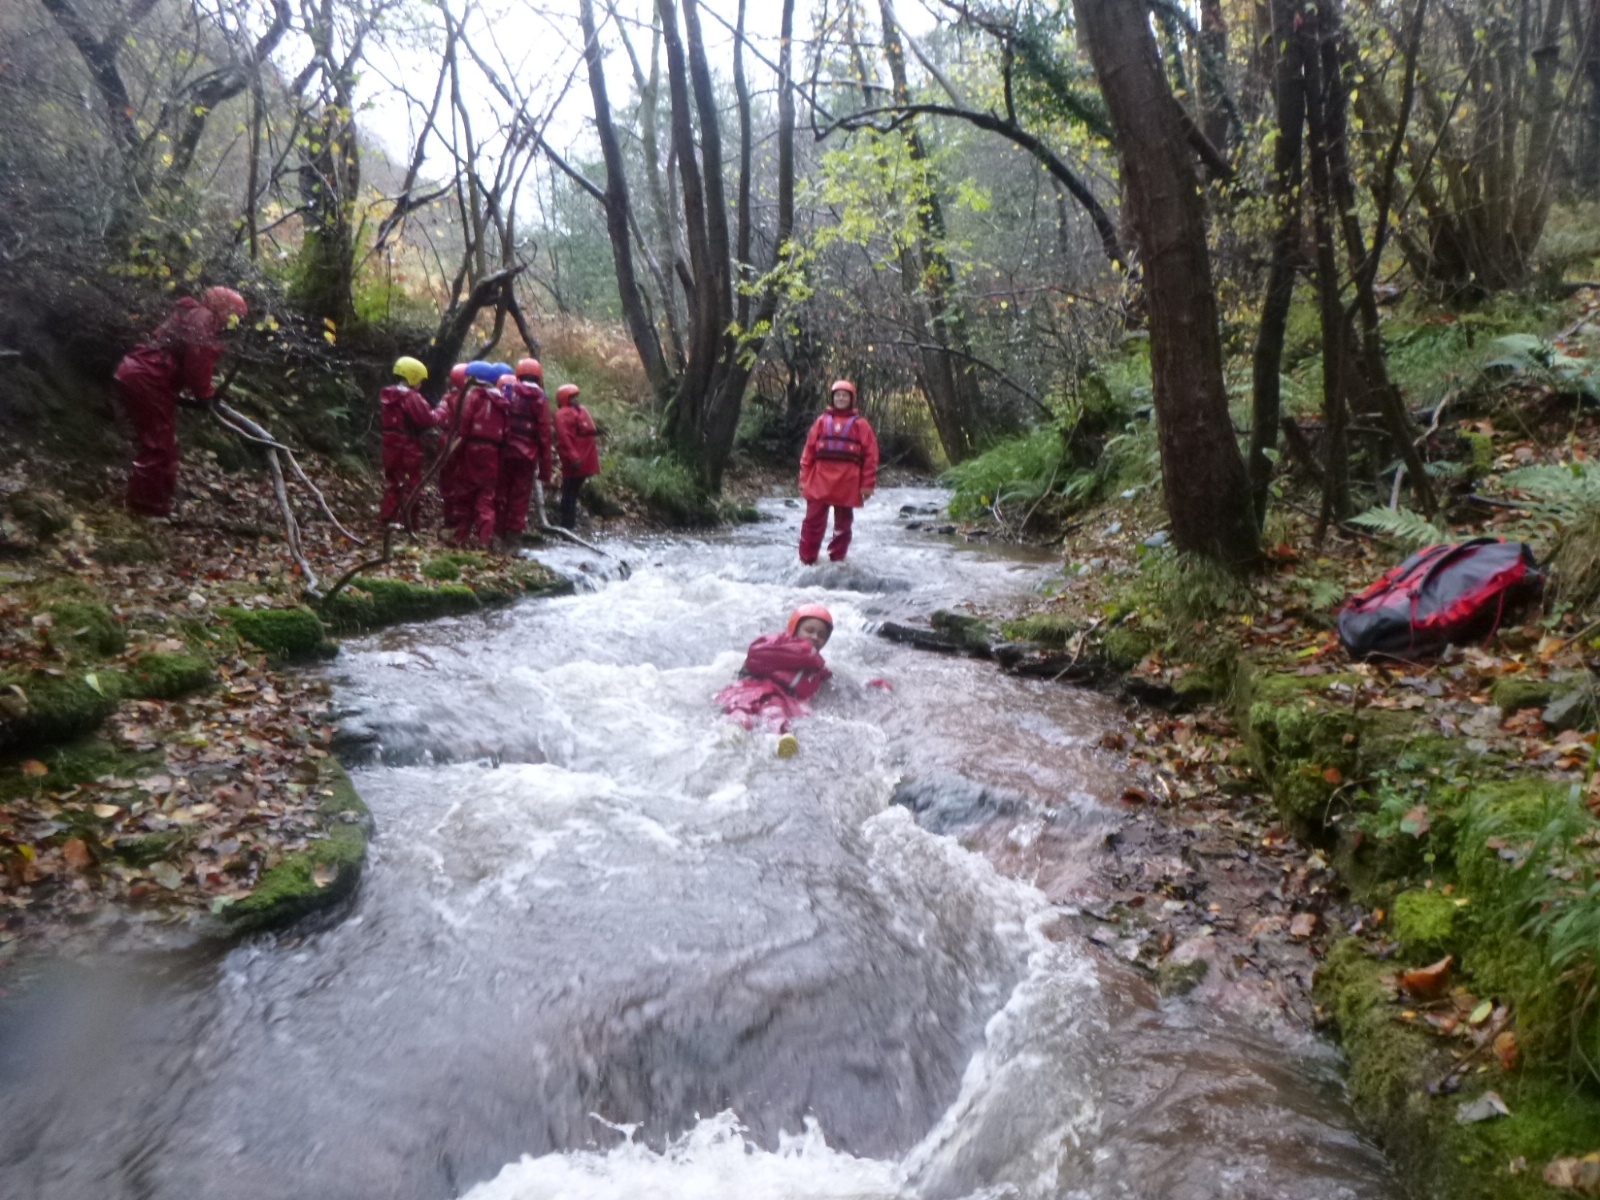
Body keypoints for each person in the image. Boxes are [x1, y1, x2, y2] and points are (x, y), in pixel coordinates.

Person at [113, 286, 248, 517]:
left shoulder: (191, 313)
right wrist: (205, 395)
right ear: (223, 308)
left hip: (137, 370)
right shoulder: (204, 319)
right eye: (233, 315)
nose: (232, 322)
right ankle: (147, 507)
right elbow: (198, 362)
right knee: (159, 446)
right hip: (149, 377)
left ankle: (147, 502)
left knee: (158, 441)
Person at [715, 604, 834, 733]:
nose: (815, 637)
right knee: (741, 710)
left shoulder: (816, 670)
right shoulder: (778, 642)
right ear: (795, 629)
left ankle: (780, 738)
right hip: (752, 688)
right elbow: (756, 653)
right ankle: (733, 730)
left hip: (781, 698)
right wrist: (808, 653)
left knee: (778, 715)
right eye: (809, 631)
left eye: (821, 635)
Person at [798, 379, 879, 565]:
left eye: (845, 396)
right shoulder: (821, 422)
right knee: (812, 521)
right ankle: (807, 559)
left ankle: (837, 560)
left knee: (843, 524)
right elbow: (808, 452)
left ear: (852, 399)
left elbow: (871, 457)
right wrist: (803, 479)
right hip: (819, 480)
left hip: (848, 482)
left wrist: (867, 485)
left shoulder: (861, 425)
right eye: (838, 395)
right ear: (832, 398)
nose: (841, 399)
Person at [377, 356, 443, 529]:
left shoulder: (389, 395)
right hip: (407, 446)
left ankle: (388, 519)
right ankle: (404, 523)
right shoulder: (410, 397)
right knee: (410, 485)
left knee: (394, 483)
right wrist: (442, 411)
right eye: (420, 380)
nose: (421, 384)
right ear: (413, 377)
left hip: (390, 444)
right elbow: (428, 419)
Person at [452, 361, 511, 547]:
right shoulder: (503, 401)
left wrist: (458, 446)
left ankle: (460, 536)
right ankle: (486, 538)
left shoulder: (474, 396)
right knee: (486, 495)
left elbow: (464, 422)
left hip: (473, 449)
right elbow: (507, 430)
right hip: (493, 452)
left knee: (466, 492)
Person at [497, 358, 554, 545]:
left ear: (519, 374)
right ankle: (513, 535)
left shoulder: (508, 392)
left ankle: (497, 531)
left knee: (501, 491)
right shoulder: (541, 399)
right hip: (527, 456)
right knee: (520, 496)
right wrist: (546, 470)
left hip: (505, 451)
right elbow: (544, 435)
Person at [553, 383, 600, 529]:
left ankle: (567, 525)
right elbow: (565, 438)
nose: (576, 400)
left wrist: (573, 457)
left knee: (570, 491)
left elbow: (566, 438)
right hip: (580, 458)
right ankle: (567, 524)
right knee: (570, 491)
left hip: (580, 458)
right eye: (572, 397)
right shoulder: (570, 413)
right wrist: (574, 457)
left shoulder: (570, 412)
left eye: (576, 397)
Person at [436, 362, 471, 533]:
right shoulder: (465, 400)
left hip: (446, 438)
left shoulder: (446, 398)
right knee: (459, 478)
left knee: (447, 478)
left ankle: (450, 516)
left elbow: (438, 417)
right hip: (458, 440)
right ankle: (458, 518)